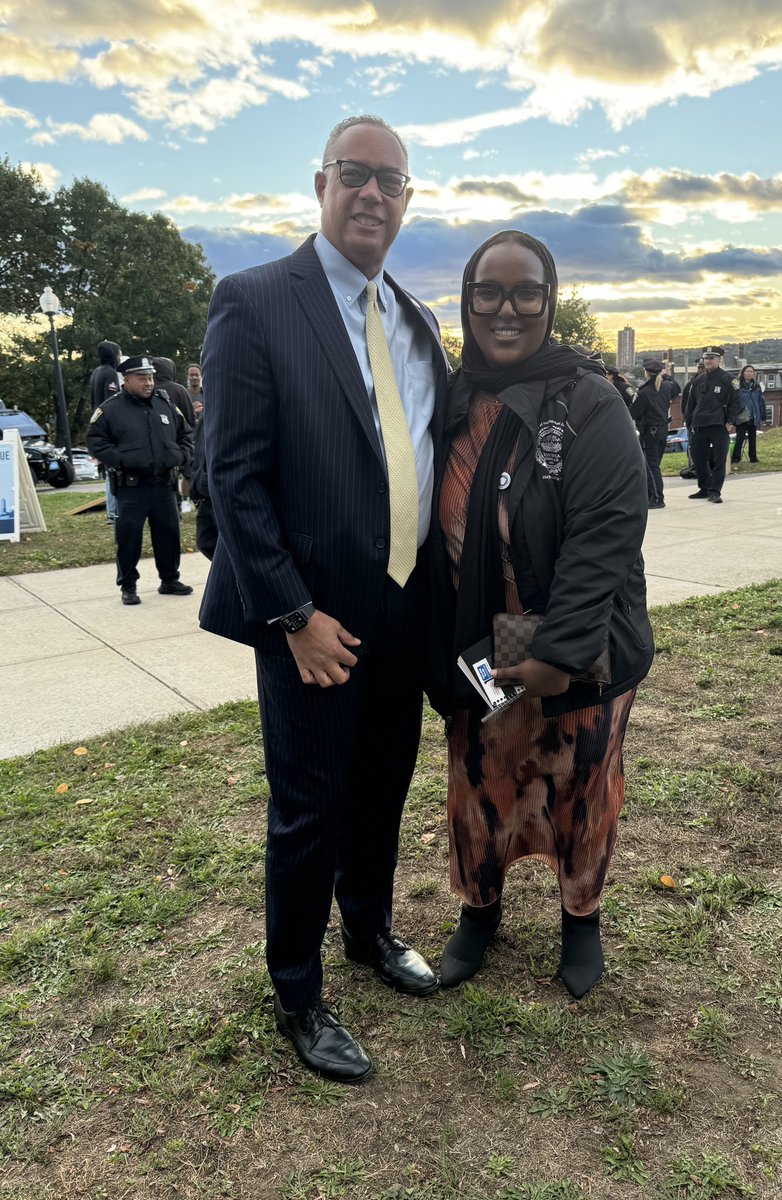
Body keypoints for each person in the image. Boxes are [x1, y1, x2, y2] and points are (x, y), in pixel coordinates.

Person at [200, 115, 449, 1083]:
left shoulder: (416, 321)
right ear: (320, 184)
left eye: (392, 180)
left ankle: (368, 931)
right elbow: (232, 478)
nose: (373, 193)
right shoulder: (257, 301)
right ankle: (297, 992)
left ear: (407, 200)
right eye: (356, 174)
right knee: (309, 810)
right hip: (311, 621)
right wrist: (294, 618)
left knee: (383, 786)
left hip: (403, 609)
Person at [426, 230, 653, 1000]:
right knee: (480, 777)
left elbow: (606, 533)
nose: (507, 308)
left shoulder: (588, 400)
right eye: (488, 292)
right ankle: (479, 911)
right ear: (467, 302)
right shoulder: (452, 400)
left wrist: (559, 651)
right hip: (482, 640)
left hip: (576, 642)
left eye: (527, 292)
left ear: (549, 302)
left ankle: (580, 917)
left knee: (580, 780)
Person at [86, 355, 194, 604]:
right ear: (127, 380)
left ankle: (170, 579)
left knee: (168, 535)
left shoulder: (165, 404)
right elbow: (95, 441)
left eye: (151, 378)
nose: (149, 383)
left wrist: (180, 455)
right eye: (142, 378)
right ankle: (128, 585)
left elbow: (186, 434)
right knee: (129, 539)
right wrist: (122, 459)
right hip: (132, 488)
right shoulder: (111, 409)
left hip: (164, 485)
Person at [682, 346, 744, 503]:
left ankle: (715, 491)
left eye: (712, 358)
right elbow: (691, 403)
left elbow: (736, 402)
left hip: (719, 424)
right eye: (706, 358)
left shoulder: (729, 379)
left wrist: (730, 421)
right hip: (699, 425)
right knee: (698, 459)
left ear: (719, 359)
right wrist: (689, 422)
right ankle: (704, 488)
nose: (708, 361)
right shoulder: (698, 380)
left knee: (719, 460)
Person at [630, 357, 671, 509]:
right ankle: (651, 495)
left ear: (646, 372)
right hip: (662, 430)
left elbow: (634, 413)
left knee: (651, 466)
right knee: (654, 465)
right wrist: (666, 374)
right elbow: (677, 389)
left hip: (650, 433)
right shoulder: (666, 387)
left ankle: (657, 498)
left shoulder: (644, 392)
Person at [89, 340, 122, 524]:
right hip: (109, 426)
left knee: (109, 470)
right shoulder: (110, 373)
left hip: (98, 423)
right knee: (114, 470)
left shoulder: (96, 372)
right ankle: (114, 512)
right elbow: (112, 400)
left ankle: (112, 511)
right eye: (119, 353)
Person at [732, 365, 764, 463]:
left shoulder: (756, 386)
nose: (749, 373)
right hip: (741, 416)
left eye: (751, 371)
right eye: (747, 371)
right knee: (740, 438)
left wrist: (762, 414)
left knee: (752, 438)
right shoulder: (737, 384)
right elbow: (732, 399)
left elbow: (761, 401)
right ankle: (736, 458)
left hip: (753, 416)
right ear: (743, 372)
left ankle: (753, 458)